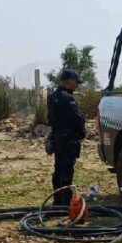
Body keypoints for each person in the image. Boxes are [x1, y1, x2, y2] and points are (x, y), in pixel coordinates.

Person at [47, 69, 86, 206]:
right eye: (76, 82)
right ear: (69, 81)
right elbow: (77, 119)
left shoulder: (53, 97)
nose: (77, 86)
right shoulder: (67, 99)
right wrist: (81, 132)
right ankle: (66, 203)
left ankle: (57, 201)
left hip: (57, 137)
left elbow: (50, 119)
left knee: (58, 168)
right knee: (67, 170)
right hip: (68, 138)